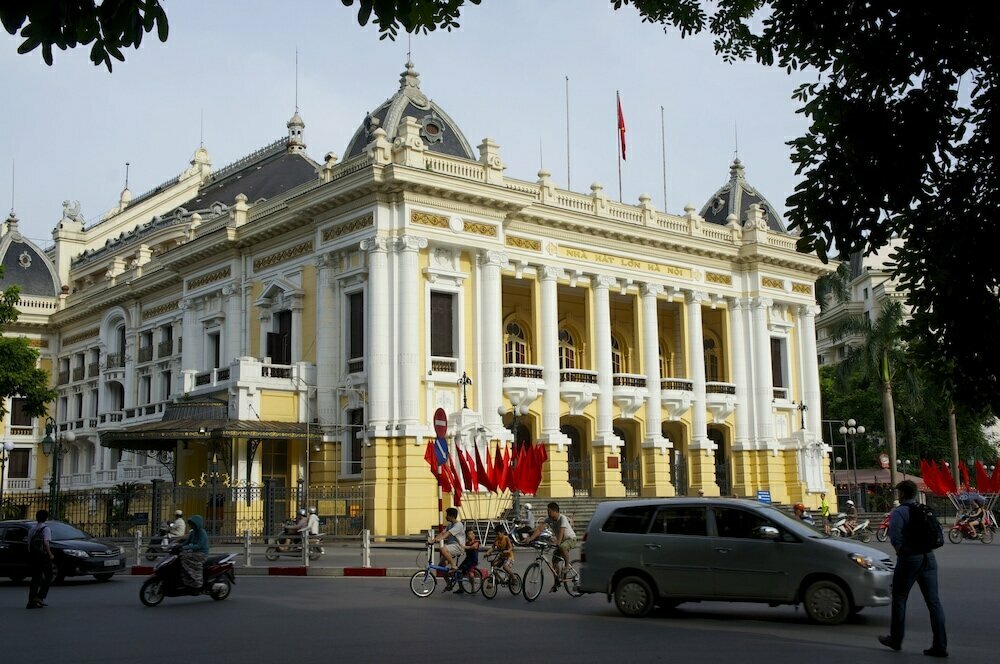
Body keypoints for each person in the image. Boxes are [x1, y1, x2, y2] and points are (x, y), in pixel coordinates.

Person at [878, 480, 948, 657]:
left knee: (900, 597)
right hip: (929, 557)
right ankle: (940, 645)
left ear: (902, 494)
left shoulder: (900, 512)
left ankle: (896, 639)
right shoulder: (924, 509)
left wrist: (902, 552)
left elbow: (895, 536)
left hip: (910, 558)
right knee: (933, 602)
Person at [527, 502, 577, 592]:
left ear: (555, 511)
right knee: (554, 561)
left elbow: (561, 531)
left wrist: (558, 542)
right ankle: (557, 582)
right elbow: (539, 529)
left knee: (562, 546)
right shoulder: (549, 519)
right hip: (561, 541)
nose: (548, 513)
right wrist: (530, 538)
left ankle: (567, 565)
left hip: (571, 539)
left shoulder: (562, 518)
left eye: (549, 511)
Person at [26, 509, 54, 609]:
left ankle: (31, 601)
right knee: (49, 575)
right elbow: (46, 543)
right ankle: (40, 596)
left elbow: (29, 545)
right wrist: (50, 554)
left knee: (35, 578)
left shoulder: (32, 529)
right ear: (46, 518)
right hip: (43, 556)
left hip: (34, 556)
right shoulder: (46, 529)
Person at [178, 514, 209, 589]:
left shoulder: (202, 533)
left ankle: (197, 580)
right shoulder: (193, 532)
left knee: (184, 557)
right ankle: (186, 578)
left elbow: (198, 546)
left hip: (201, 554)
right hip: (193, 552)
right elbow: (187, 542)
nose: (191, 526)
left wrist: (185, 547)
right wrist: (179, 545)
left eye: (193, 524)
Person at [431, 507, 465, 572]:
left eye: (447, 515)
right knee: (441, 567)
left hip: (458, 546)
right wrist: (433, 540)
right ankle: (449, 582)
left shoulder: (458, 525)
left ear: (452, 516)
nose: (446, 517)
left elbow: (448, 533)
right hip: (451, 547)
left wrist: (439, 539)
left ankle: (453, 565)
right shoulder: (450, 525)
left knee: (442, 548)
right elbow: (442, 533)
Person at [454, 529, 481, 593]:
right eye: (470, 534)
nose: (472, 535)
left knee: (470, 573)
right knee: (459, 572)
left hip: (473, 561)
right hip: (467, 560)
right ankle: (461, 588)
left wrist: (463, 546)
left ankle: (473, 588)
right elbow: (463, 550)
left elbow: (471, 547)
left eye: (473, 533)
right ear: (467, 536)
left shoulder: (476, 542)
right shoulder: (466, 543)